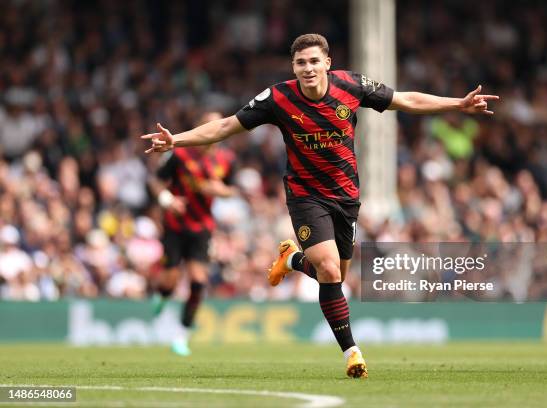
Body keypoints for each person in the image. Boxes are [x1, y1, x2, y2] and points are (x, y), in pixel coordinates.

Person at [142, 33, 499, 376]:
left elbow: (405, 100)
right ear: (293, 66)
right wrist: (177, 141)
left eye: (314, 60)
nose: (308, 68)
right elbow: (226, 126)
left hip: (346, 198)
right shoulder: (277, 98)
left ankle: (293, 259)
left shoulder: (352, 86)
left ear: (327, 62)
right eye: (300, 62)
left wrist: (458, 104)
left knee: (337, 276)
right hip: (305, 196)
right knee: (329, 270)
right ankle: (352, 353)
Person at [150, 111, 237, 356]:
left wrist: (221, 191)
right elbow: (156, 181)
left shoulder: (226, 159)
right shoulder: (179, 154)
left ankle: (181, 336)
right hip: (175, 225)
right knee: (170, 279)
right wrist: (167, 200)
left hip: (202, 228)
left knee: (198, 282)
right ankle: (163, 294)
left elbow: (232, 189)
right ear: (200, 127)